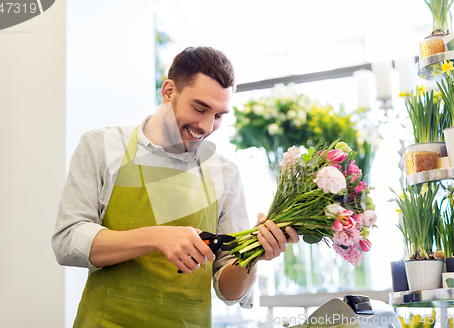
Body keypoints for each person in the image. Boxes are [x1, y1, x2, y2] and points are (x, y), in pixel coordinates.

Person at [52, 46, 299, 327]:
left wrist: (254, 255)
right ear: (169, 91)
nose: (207, 126)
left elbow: (229, 291)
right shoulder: (103, 147)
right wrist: (157, 237)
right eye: (200, 108)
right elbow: (67, 241)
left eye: (219, 115)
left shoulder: (225, 173)